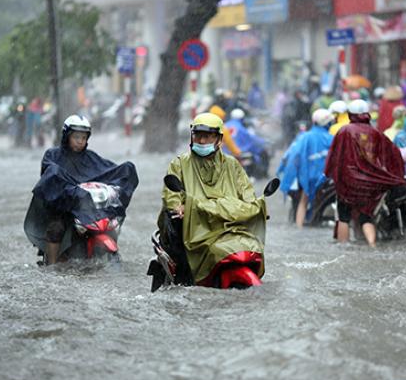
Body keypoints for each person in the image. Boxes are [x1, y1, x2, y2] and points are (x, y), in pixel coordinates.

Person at [158, 113, 268, 284]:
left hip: (228, 226)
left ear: (219, 139)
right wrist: (178, 207)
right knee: (181, 273)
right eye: (198, 136)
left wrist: (254, 206)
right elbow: (171, 194)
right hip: (195, 228)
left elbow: (246, 192)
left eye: (207, 137)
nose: (202, 141)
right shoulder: (179, 164)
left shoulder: (232, 165)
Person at [26, 114, 139, 264]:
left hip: (88, 209)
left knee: (110, 225)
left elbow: (110, 171)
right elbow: (50, 177)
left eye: (84, 137)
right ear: (67, 136)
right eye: (76, 137)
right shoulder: (52, 155)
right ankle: (51, 266)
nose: (80, 141)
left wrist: (117, 188)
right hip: (63, 207)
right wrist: (72, 192)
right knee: (56, 228)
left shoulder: (91, 158)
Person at [324, 100, 406, 247]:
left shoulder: (344, 131)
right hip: (370, 183)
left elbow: (334, 157)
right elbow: (393, 154)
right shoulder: (376, 133)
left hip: (348, 183)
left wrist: (332, 175)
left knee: (344, 217)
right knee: (366, 217)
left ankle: (344, 247)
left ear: (350, 114)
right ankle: (372, 245)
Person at [277, 109, 334, 227]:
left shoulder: (305, 137)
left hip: (308, 179)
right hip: (327, 180)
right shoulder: (331, 138)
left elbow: (293, 157)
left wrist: (285, 174)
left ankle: (299, 228)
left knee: (303, 202)